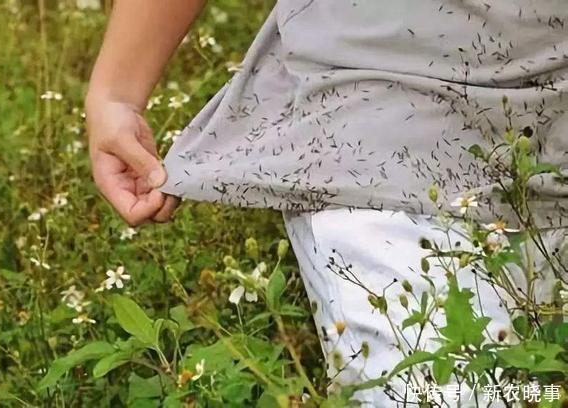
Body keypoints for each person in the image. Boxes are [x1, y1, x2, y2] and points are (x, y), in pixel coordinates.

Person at [86, 1, 568, 406]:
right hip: (374, 126)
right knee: (454, 395)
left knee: (544, 392)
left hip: (555, 126)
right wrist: (118, 92)